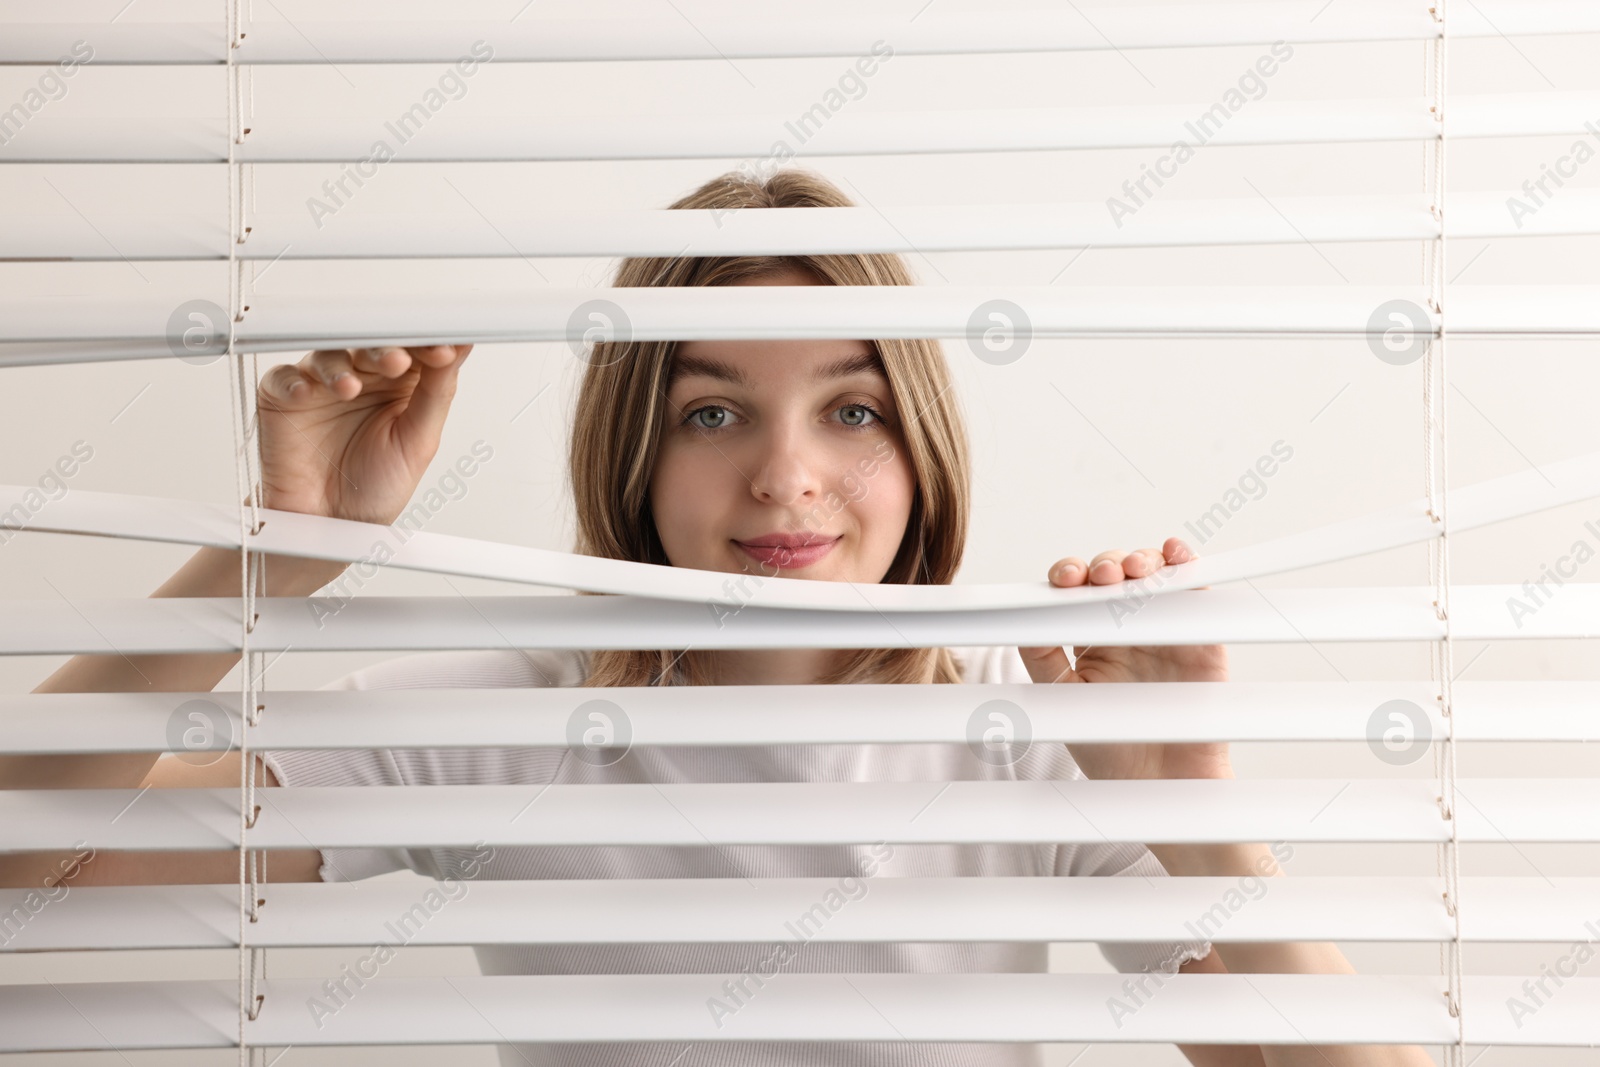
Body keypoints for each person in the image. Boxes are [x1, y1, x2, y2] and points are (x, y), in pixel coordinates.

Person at [2, 169, 1433, 1067]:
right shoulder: (512, 717)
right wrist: (269, 558)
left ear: (922, 446)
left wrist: (1201, 824)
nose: (784, 475)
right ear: (639, 449)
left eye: (851, 406)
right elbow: (35, 869)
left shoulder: (1037, 720)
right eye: (712, 410)